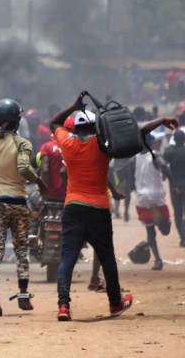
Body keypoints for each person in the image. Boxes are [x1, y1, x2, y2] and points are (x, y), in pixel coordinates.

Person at [49, 92, 177, 321]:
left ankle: (63, 306)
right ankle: (115, 303)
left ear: (76, 129)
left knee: (67, 257)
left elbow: (55, 122)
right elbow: (137, 134)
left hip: (73, 207)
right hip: (98, 208)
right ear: (97, 128)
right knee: (106, 256)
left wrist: (73, 106)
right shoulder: (104, 145)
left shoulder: (67, 142)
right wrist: (162, 121)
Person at [0, 99, 46, 317]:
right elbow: (22, 167)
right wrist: (39, 181)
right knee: (21, 249)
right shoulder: (23, 143)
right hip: (18, 201)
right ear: (18, 121)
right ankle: (24, 295)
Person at [132, 134, 175, 270]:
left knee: (150, 232)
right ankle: (155, 251)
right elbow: (165, 167)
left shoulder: (134, 158)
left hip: (143, 198)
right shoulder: (155, 154)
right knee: (166, 230)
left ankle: (157, 260)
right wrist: (173, 185)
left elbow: (128, 175)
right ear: (151, 142)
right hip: (157, 196)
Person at [164, 130, 185, 247]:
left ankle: (183, 237)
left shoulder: (169, 152)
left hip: (174, 186)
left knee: (177, 213)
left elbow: (163, 165)